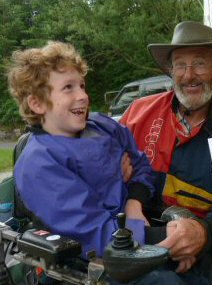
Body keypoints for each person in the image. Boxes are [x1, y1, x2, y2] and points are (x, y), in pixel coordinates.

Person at [7, 41, 195, 285]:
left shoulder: (102, 125)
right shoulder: (39, 163)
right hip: (85, 261)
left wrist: (134, 202)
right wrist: (172, 241)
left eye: (82, 85)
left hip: (130, 228)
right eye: (68, 88)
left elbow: (142, 167)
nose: (83, 96)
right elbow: (93, 233)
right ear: (37, 103)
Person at [120, 21, 212, 284]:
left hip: (208, 257)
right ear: (171, 71)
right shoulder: (138, 114)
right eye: (180, 64)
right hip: (134, 245)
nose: (188, 75)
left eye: (200, 63)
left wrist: (202, 234)